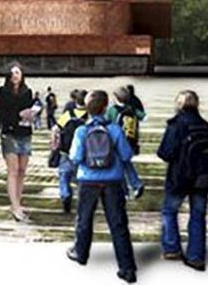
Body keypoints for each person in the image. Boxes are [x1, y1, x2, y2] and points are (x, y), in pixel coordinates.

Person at [65, 90, 138, 283]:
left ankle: (81, 253)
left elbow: (75, 157)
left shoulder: (82, 131)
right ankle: (127, 268)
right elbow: (126, 155)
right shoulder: (114, 129)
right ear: (105, 108)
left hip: (88, 181)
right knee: (118, 225)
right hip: (112, 181)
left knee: (84, 219)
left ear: (86, 109)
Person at [156, 90, 208, 272]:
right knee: (198, 216)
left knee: (169, 211)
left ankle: (172, 249)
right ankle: (196, 256)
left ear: (179, 105)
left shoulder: (176, 125)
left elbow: (165, 153)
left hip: (179, 178)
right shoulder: (207, 127)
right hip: (203, 179)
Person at [0, 62, 34, 221]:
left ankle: (18, 202)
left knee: (22, 170)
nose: (15, 76)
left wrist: (32, 114)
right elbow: (1, 114)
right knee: (13, 170)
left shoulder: (27, 92)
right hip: (9, 133)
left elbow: (30, 110)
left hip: (25, 132)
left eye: (18, 73)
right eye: (13, 73)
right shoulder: (3, 92)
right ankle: (15, 206)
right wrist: (18, 116)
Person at [106, 86, 145, 199]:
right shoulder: (131, 109)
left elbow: (106, 121)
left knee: (119, 165)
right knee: (126, 163)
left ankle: (126, 190)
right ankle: (135, 184)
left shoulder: (112, 110)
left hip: (116, 141)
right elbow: (143, 116)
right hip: (130, 141)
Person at [51, 95, 86, 213]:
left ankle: (65, 194)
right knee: (80, 177)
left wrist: (54, 143)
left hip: (65, 149)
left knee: (64, 176)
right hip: (82, 152)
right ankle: (83, 198)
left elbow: (55, 128)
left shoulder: (68, 115)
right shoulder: (89, 115)